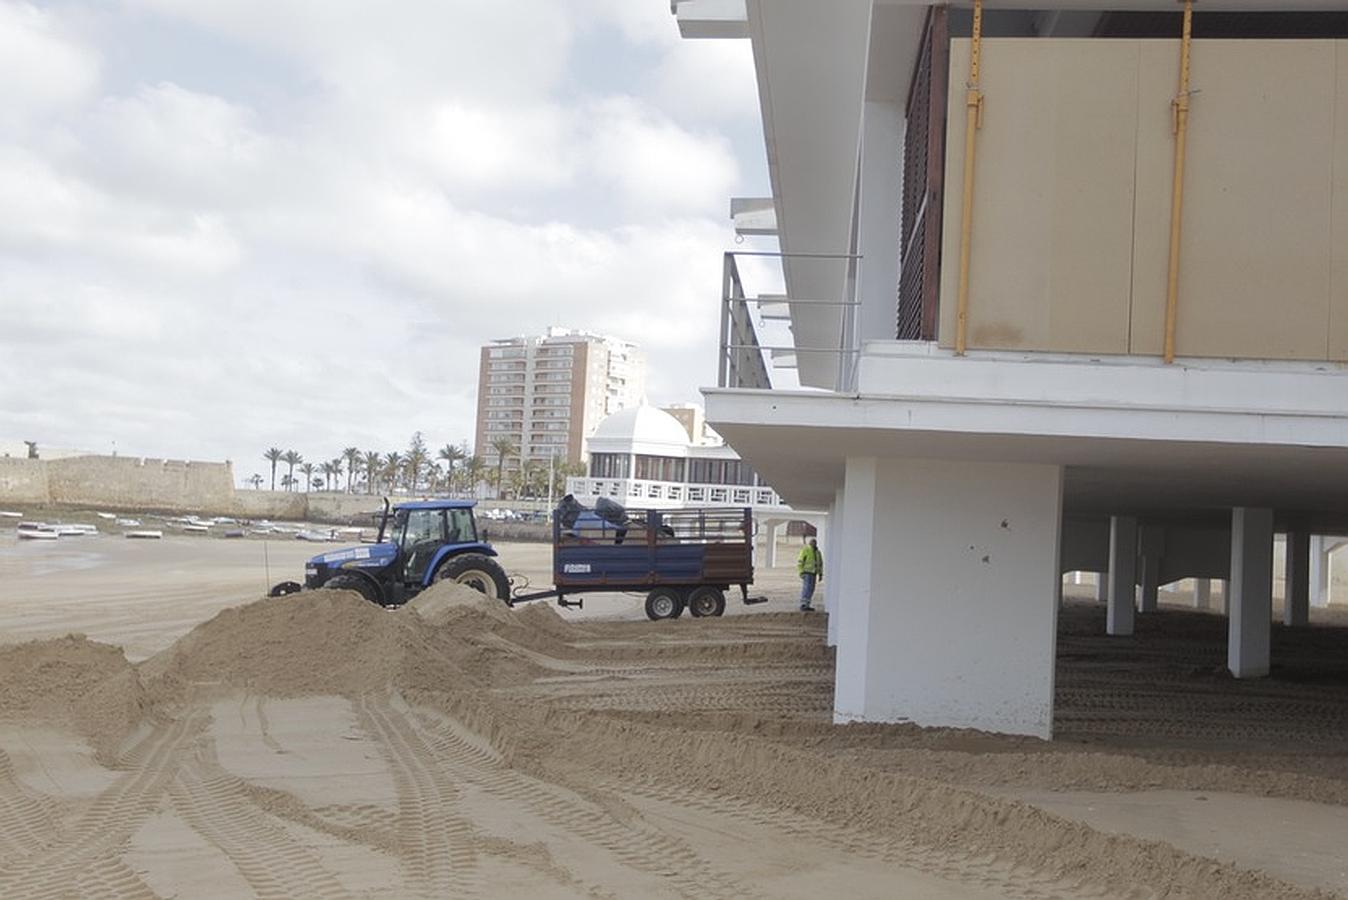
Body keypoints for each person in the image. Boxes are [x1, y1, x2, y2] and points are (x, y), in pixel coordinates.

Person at [796, 537, 823, 612]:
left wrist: (820, 574)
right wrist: (801, 572)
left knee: (811, 589)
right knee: (806, 588)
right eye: (812, 542)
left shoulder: (818, 553)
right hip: (807, 573)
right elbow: (800, 562)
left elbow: (820, 564)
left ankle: (807, 604)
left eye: (815, 543)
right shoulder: (805, 550)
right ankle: (803, 604)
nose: (814, 544)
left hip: (813, 573)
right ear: (810, 543)